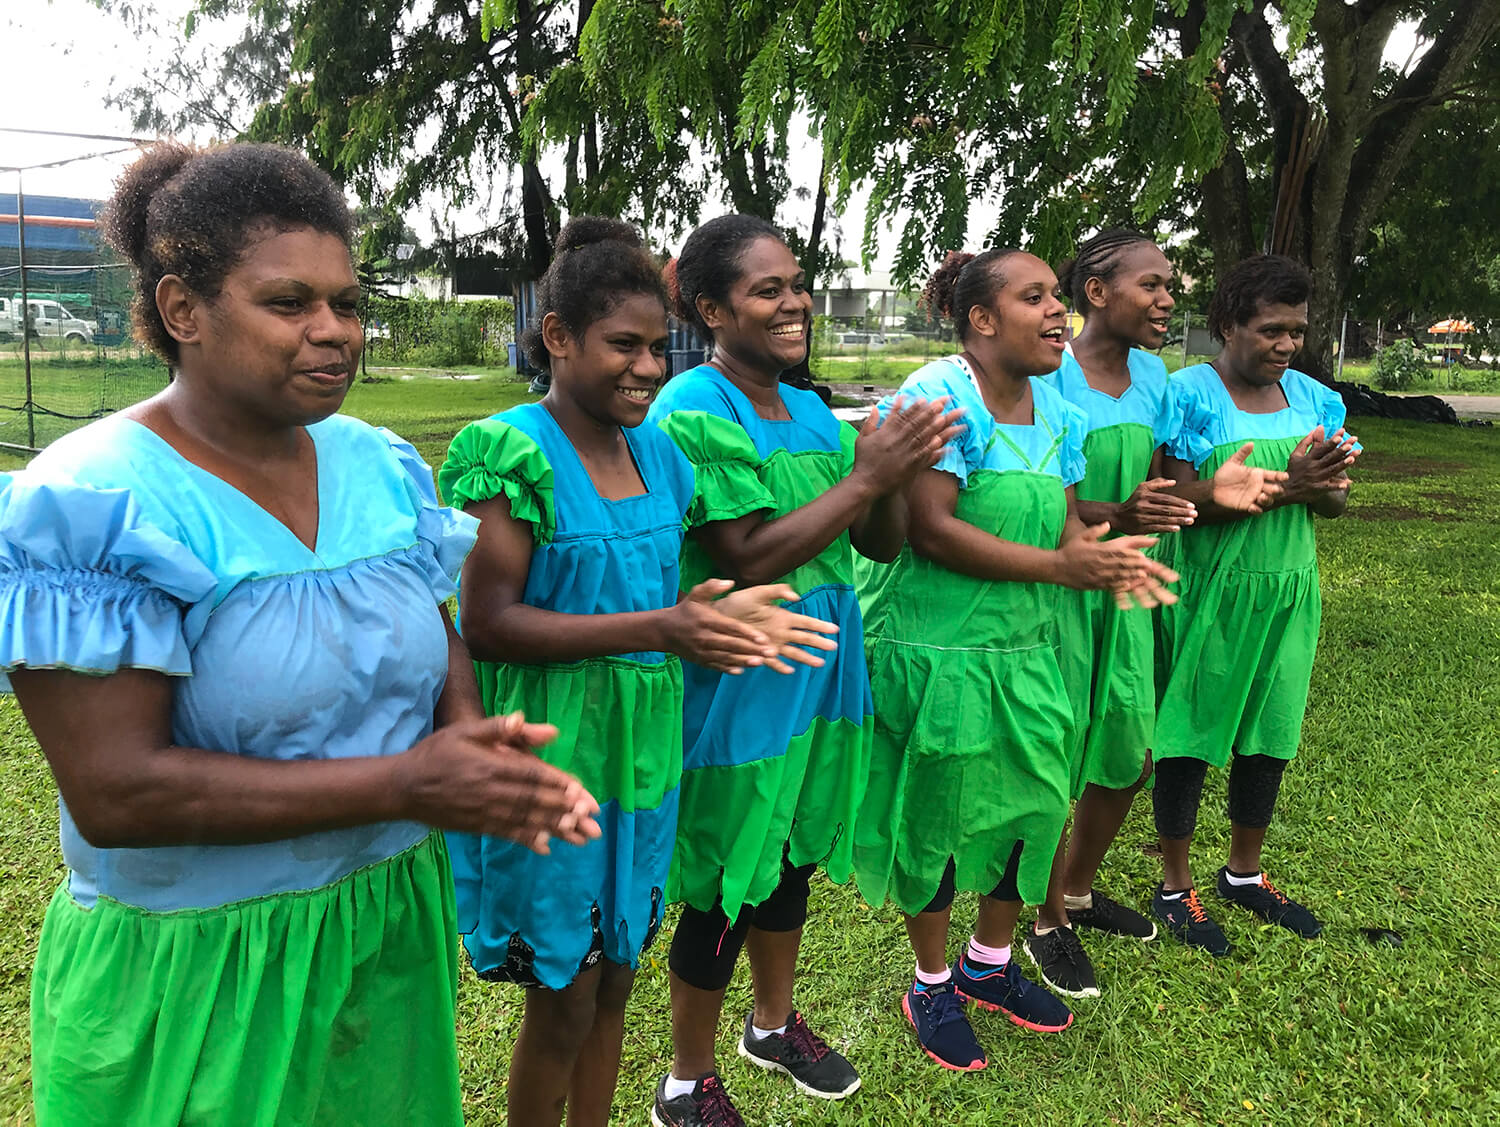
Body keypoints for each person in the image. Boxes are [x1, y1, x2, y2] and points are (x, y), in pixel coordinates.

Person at [0, 142, 601, 1126]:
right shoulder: (94, 497)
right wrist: (406, 781)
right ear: (182, 310)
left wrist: (465, 732)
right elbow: (116, 789)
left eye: (348, 302)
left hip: (380, 932)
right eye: (289, 304)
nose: (334, 331)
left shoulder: (377, 462)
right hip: (197, 970)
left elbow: (430, 617)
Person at [437, 216, 839, 1127]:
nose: (648, 369)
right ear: (558, 336)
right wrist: (666, 625)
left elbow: (695, 589)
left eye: (661, 348)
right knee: (566, 995)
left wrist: (724, 627)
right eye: (624, 345)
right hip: (555, 749)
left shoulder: (661, 452)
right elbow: (489, 624)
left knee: (618, 978)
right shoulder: (512, 452)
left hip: (645, 752)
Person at [645, 214, 961, 1127]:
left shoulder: (813, 407)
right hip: (740, 673)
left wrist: (895, 476)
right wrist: (866, 478)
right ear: (712, 308)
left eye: (797, 283)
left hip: (823, 669)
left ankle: (773, 1026)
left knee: (790, 854)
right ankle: (686, 1078)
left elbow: (879, 541)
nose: (795, 303)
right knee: (724, 869)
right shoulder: (694, 408)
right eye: (767, 290)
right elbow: (743, 554)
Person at [853, 248, 1177, 1072]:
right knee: (933, 816)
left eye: (1057, 296)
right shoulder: (939, 396)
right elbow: (931, 528)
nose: (1057, 311)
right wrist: (1063, 568)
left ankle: (989, 964)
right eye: (1034, 297)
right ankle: (931, 982)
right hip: (935, 649)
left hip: (1025, 646)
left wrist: (1101, 557)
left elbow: (1067, 520)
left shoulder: (1058, 412)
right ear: (982, 320)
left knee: (1032, 804)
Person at [1028, 230, 1286, 996]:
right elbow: (1052, 508)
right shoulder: (1049, 376)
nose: (1169, 299)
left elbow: (1158, 496)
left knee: (1129, 754)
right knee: (1056, 757)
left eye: (1171, 285)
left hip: (1127, 583)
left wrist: (1211, 494)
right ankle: (1045, 920)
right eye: (1153, 285)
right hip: (1060, 585)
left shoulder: (1156, 378)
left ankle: (1076, 887)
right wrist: (1127, 513)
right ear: (1097, 293)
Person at [1150, 254, 1359, 955]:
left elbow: (1332, 504)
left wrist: (1314, 486)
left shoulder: (1315, 399)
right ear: (1227, 324)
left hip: (1289, 586)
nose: (1286, 344)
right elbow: (1177, 506)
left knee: (1270, 733)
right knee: (1190, 734)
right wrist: (1292, 481)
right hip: (1211, 589)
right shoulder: (1188, 395)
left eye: (1296, 331)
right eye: (1271, 329)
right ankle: (1174, 886)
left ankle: (1244, 872)